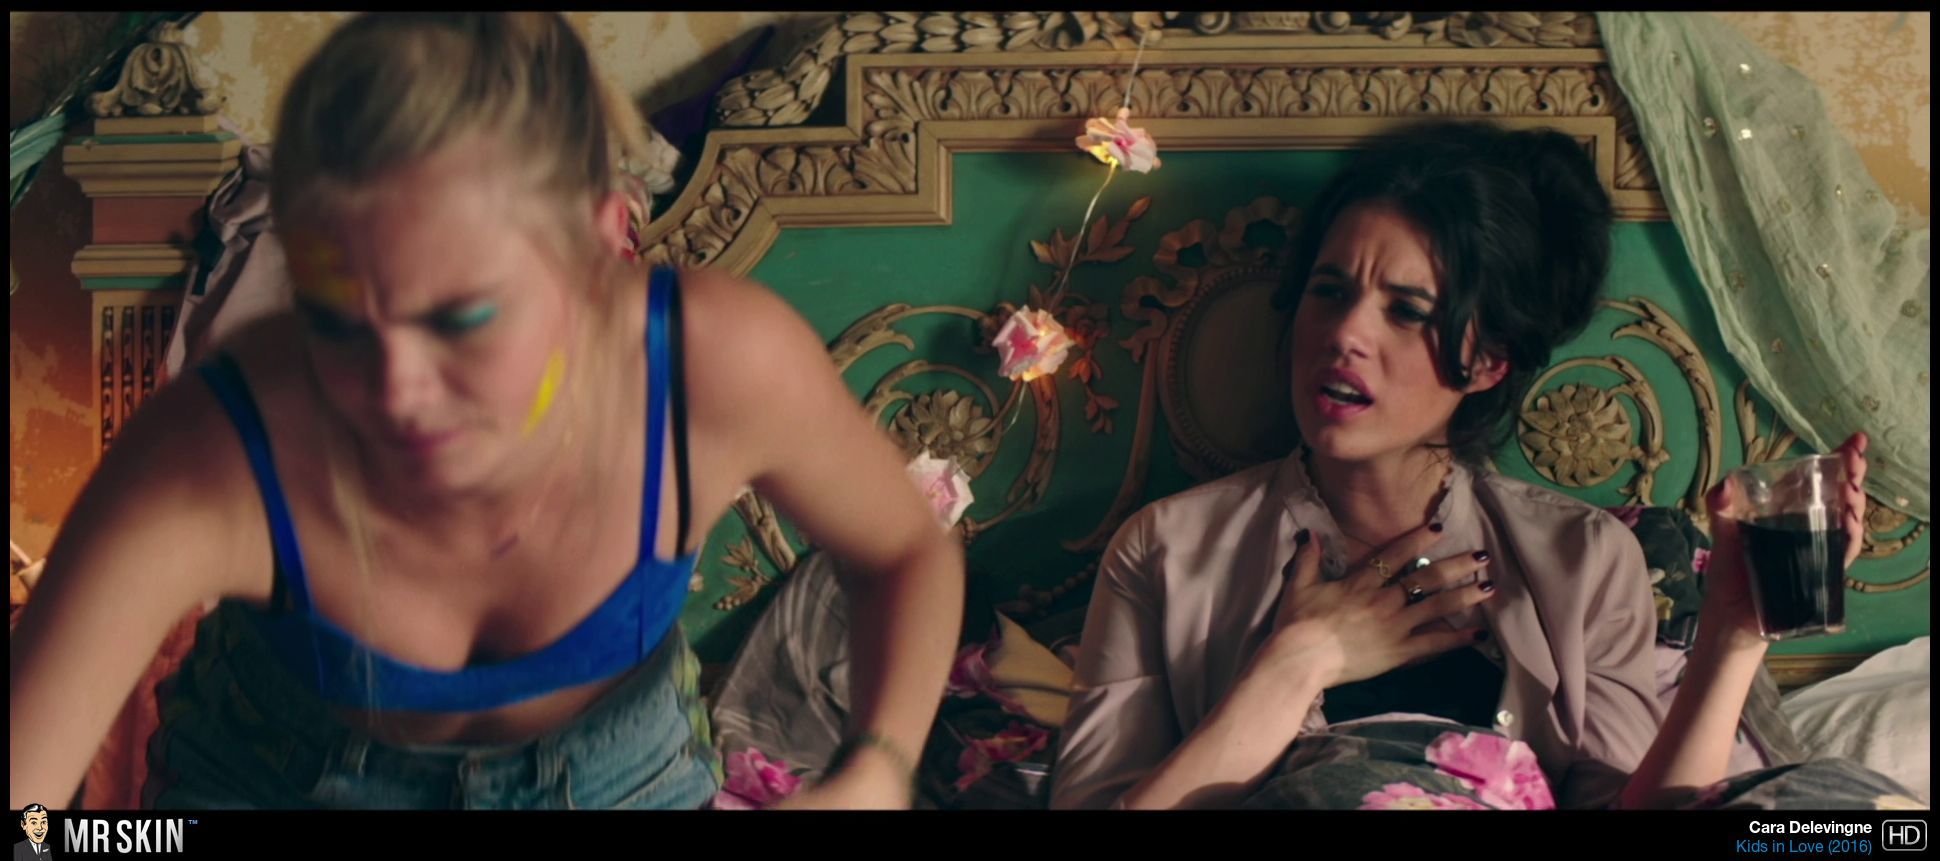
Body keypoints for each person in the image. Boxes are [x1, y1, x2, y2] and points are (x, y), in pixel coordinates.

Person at [9, 12, 963, 811]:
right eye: (336, 318)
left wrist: (876, 768)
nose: (395, 390)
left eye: (461, 318)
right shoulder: (216, 455)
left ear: (603, 246)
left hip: (625, 783)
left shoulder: (708, 369)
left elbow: (904, 553)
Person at [1049, 120, 1872, 810]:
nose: (1345, 334)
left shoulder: (1583, 557)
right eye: (1329, 291)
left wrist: (1733, 634)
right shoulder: (1166, 549)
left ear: (1487, 363)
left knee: (1845, 818)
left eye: (1407, 311)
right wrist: (1298, 663)